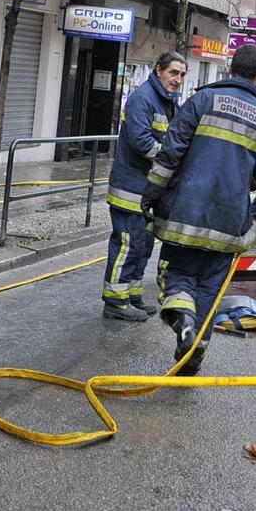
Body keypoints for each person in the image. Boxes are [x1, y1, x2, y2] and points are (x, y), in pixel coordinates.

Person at [141, 44, 256, 374]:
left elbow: (170, 154)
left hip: (185, 213)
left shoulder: (201, 101)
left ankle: (184, 323)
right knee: (208, 288)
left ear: (229, 68)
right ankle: (193, 355)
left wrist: (151, 195)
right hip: (230, 221)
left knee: (177, 278)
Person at [102, 52, 187, 321]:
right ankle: (115, 302)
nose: (178, 79)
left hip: (148, 190)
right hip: (130, 188)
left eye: (182, 75)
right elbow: (142, 143)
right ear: (158, 70)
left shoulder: (167, 101)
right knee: (127, 244)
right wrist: (175, 159)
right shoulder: (142, 99)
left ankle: (132, 294)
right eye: (174, 73)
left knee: (143, 245)